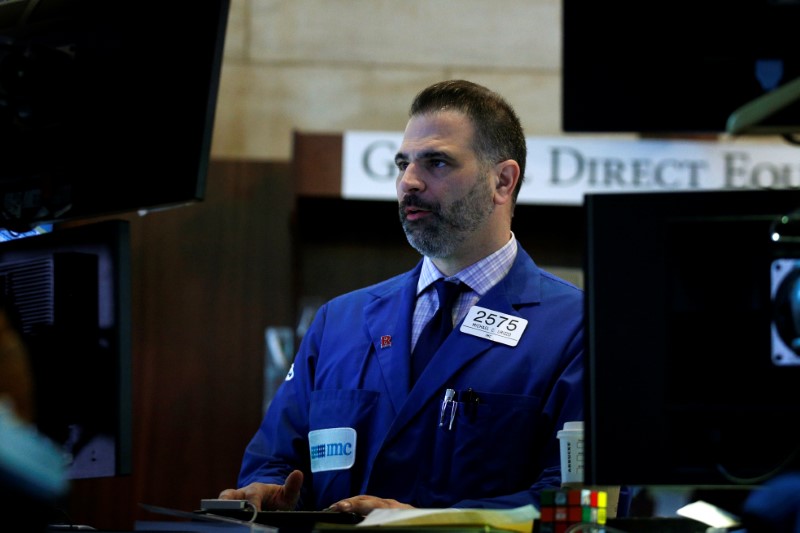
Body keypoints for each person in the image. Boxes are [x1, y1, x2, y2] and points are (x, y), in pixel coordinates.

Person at [218, 79, 585, 516]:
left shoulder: (576, 328)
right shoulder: (340, 322)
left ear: (502, 181)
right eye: (402, 164)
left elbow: (581, 503)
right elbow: (273, 459)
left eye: (437, 163)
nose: (409, 182)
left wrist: (428, 524)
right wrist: (267, 491)